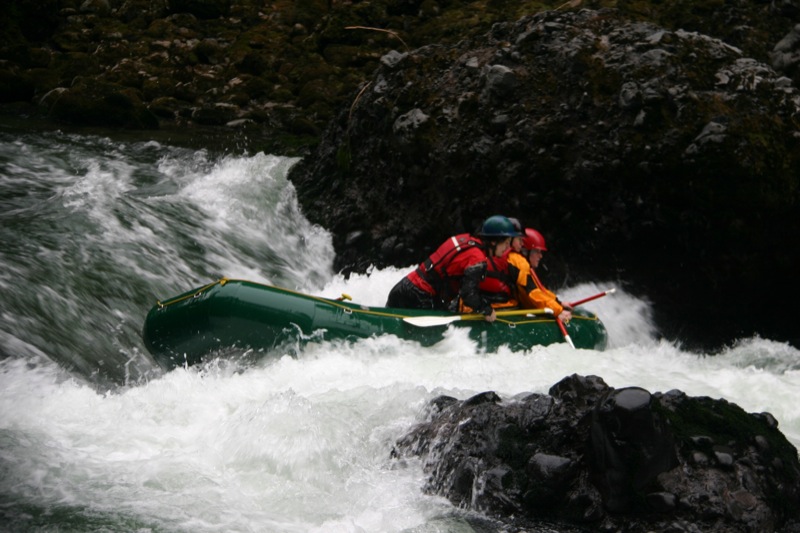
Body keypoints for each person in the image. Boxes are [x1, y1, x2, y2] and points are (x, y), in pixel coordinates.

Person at [386, 215, 520, 322]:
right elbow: (468, 295)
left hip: (403, 287)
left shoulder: (464, 239)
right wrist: (486, 309)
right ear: (493, 241)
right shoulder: (477, 258)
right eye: (506, 243)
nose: (507, 248)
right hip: (421, 297)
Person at [509, 227, 572, 322]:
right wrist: (558, 311)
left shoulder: (521, 263)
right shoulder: (519, 263)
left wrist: (558, 302)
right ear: (526, 251)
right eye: (537, 251)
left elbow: (540, 290)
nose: (540, 256)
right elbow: (533, 293)